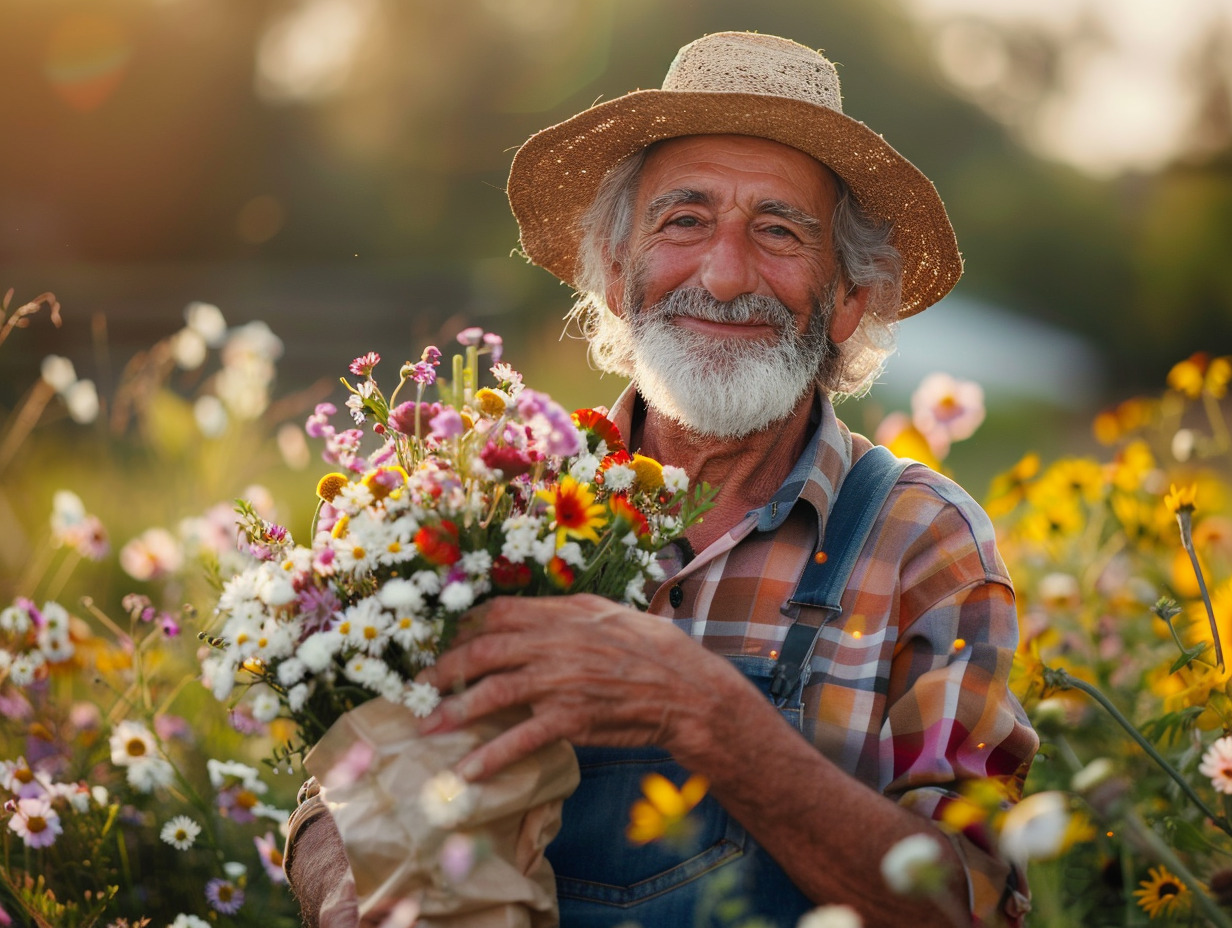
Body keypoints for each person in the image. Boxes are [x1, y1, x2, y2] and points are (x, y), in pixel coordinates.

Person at [285, 31, 1038, 928]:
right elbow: (340, 788)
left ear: (847, 298)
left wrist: (707, 710)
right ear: (612, 272)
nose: (724, 276)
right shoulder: (493, 500)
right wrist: (344, 890)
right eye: (683, 221)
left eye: (779, 232)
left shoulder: (924, 542)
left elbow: (974, 902)